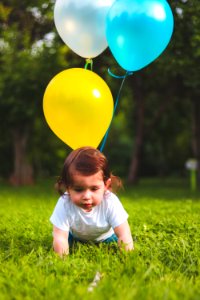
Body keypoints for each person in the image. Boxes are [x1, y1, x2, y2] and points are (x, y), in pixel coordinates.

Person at [50, 146, 134, 257]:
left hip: (106, 237)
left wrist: (127, 258)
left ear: (106, 185)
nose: (87, 196)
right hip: (75, 237)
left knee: (118, 241)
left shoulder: (110, 202)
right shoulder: (65, 203)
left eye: (94, 189)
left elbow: (123, 234)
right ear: (68, 188)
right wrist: (61, 262)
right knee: (58, 242)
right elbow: (60, 236)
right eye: (79, 189)